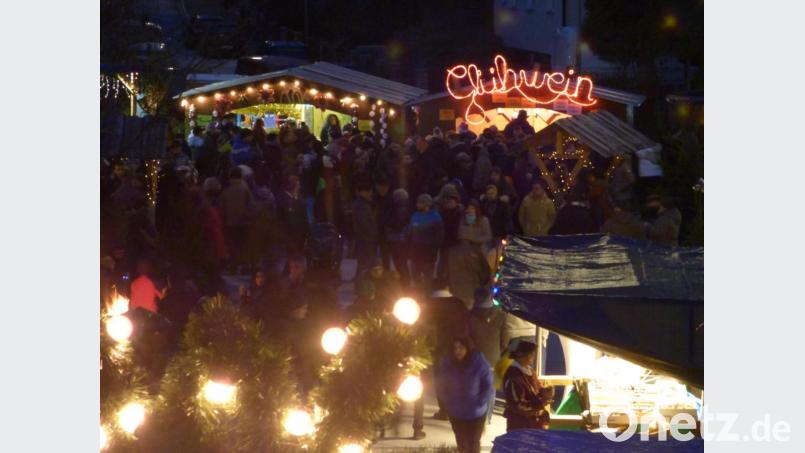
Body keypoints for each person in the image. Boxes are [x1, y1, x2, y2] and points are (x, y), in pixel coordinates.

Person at [436, 337, 495, 453]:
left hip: (475, 413)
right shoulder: (447, 364)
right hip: (456, 412)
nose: (457, 351)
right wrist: (447, 401)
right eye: (455, 348)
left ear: (468, 349)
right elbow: (440, 385)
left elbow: (488, 386)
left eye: (461, 348)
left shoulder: (479, 363)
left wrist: (480, 401)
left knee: (473, 443)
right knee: (461, 443)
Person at [466, 287, 507, 422]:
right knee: (490, 389)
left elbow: (467, 338)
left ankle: (475, 416)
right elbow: (505, 340)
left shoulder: (469, 316)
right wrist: (498, 352)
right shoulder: (501, 316)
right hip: (494, 358)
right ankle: (487, 418)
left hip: (475, 358)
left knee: (474, 387)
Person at [502, 341, 554, 432]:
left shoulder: (530, 371)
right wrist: (540, 404)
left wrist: (545, 392)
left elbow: (536, 388)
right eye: (530, 354)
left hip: (534, 423)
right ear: (521, 356)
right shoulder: (513, 376)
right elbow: (517, 405)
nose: (532, 357)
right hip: (520, 424)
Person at [219, 166, 252, 270]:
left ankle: (233, 266)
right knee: (244, 245)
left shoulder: (226, 190)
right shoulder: (245, 187)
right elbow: (250, 203)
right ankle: (245, 266)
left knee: (233, 245)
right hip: (244, 222)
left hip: (230, 222)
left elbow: (222, 207)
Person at [408, 194, 444, 287]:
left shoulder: (435, 217)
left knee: (428, 277)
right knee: (415, 275)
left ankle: (427, 295)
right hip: (416, 252)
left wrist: (434, 250)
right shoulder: (415, 215)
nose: (417, 205)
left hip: (428, 252)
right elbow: (410, 231)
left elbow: (439, 236)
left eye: (419, 203)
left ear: (426, 204)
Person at [386, 188, 412, 286]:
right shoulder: (406, 209)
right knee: (402, 263)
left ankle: (403, 282)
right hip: (402, 240)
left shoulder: (392, 208)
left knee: (398, 263)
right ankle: (405, 282)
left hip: (393, 239)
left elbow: (391, 222)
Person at [352, 179, 379, 273]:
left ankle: (361, 284)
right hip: (365, 240)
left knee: (364, 264)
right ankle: (361, 285)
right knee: (365, 264)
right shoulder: (362, 205)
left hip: (364, 239)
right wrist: (373, 234)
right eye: (369, 191)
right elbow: (363, 223)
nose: (370, 193)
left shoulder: (362, 204)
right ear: (363, 192)